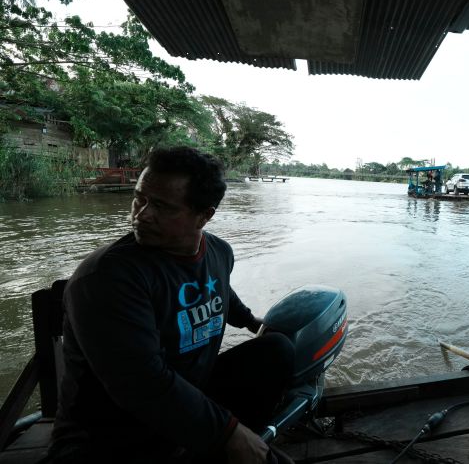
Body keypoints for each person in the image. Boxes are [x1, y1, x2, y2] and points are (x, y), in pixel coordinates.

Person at [49, 147, 295, 464]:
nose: (141, 214)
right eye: (140, 198)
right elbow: (143, 384)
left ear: (204, 216)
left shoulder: (219, 252)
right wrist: (230, 432)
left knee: (276, 350)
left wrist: (250, 321)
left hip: (184, 397)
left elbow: (220, 292)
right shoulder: (108, 278)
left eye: (162, 207)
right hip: (109, 434)